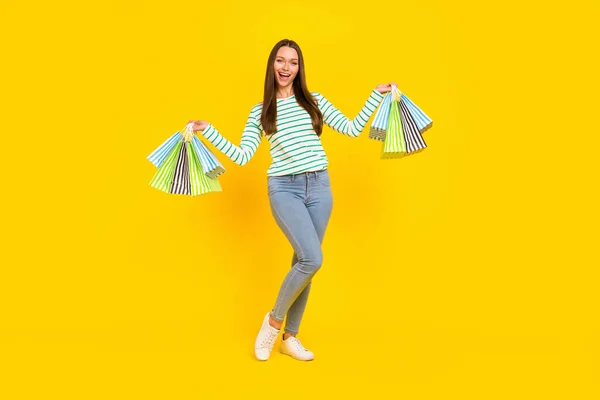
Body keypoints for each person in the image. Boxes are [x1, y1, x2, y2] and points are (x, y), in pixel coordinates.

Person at [188, 39, 396, 361]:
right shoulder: (261, 111)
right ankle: (272, 322)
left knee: (304, 264)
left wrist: (374, 95)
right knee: (312, 258)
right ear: (272, 65)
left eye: (293, 62)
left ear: (300, 69)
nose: (286, 68)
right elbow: (242, 156)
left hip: (320, 188)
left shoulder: (314, 101)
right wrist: (209, 131)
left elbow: (353, 128)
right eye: (281, 61)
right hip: (284, 189)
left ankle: (290, 337)